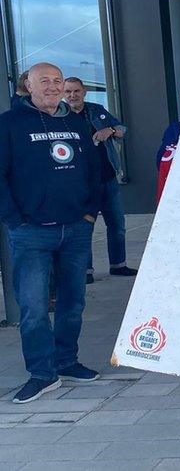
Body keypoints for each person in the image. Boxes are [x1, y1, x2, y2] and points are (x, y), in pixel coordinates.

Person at [0, 63, 103, 404]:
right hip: (30, 233)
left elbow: (95, 170)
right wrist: (14, 219)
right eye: (43, 80)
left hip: (75, 229)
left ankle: (66, 361)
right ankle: (42, 374)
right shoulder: (9, 124)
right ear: (27, 85)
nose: (53, 86)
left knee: (73, 303)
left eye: (57, 80)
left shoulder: (76, 122)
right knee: (33, 306)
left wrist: (89, 213)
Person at [63, 77, 137, 283]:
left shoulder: (96, 110)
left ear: (84, 92)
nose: (72, 96)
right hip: (81, 183)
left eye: (76, 91)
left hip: (108, 178)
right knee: (84, 227)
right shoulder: (60, 116)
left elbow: (122, 129)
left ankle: (118, 265)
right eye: (68, 92)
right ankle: (85, 271)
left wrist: (111, 130)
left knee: (116, 224)